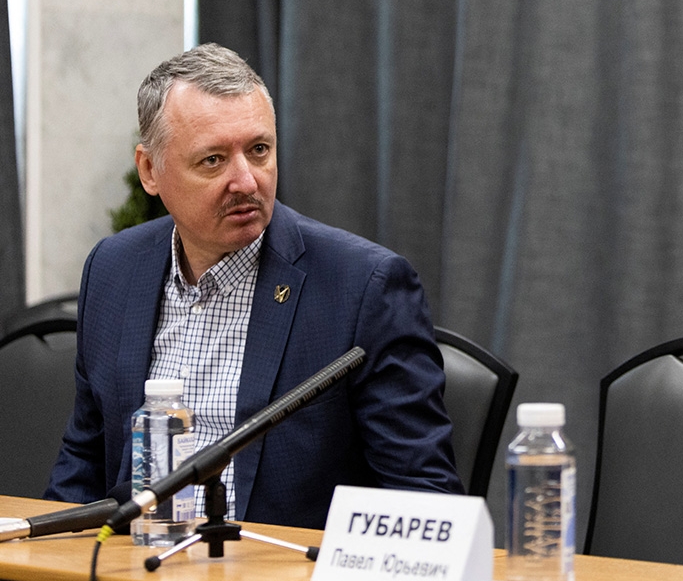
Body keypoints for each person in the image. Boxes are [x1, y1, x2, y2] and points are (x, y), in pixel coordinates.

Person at [46, 43, 463, 529]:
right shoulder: (114, 269)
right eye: (213, 160)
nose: (246, 180)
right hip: (136, 574)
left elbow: (426, 502)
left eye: (259, 150)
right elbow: (85, 458)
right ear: (149, 171)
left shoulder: (364, 287)